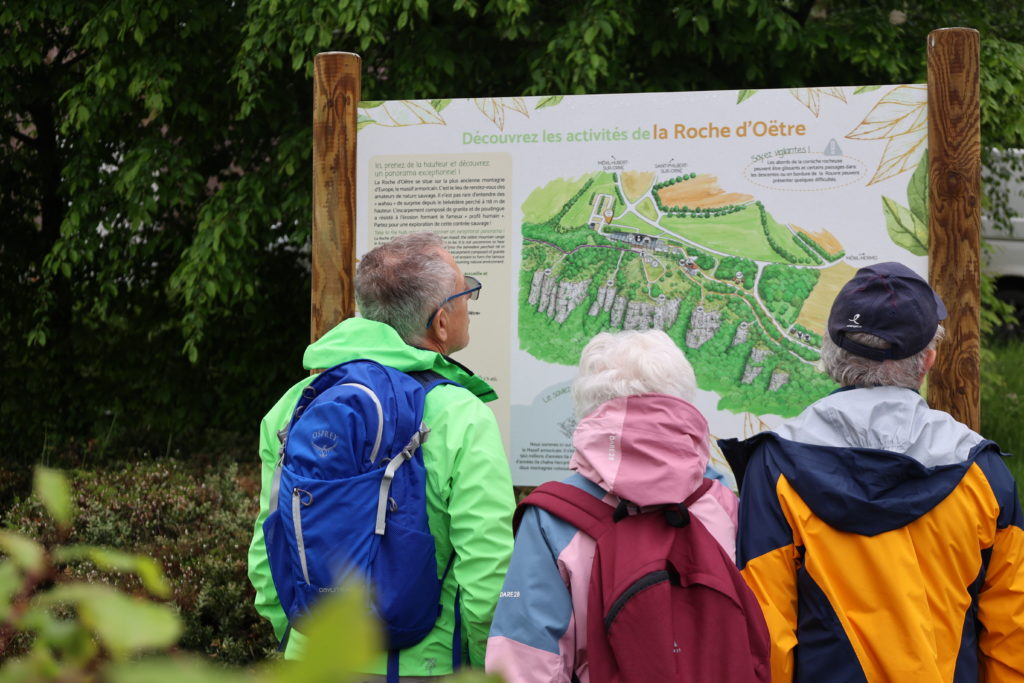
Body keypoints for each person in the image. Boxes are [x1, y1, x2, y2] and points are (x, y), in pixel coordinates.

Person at [721, 261, 1024, 681]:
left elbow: (766, 629)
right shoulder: (981, 471)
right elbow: (1012, 630)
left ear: (831, 354)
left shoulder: (776, 466)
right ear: (929, 360)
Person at [247, 232, 516, 680]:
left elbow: (267, 548)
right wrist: (485, 664)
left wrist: (293, 636)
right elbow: (486, 568)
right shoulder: (461, 416)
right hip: (421, 664)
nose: (471, 299)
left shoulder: (294, 406)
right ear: (441, 322)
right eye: (466, 290)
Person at [486, 329, 742, 683]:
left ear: (588, 405)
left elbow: (525, 655)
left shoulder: (553, 514)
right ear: (682, 400)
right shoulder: (721, 501)